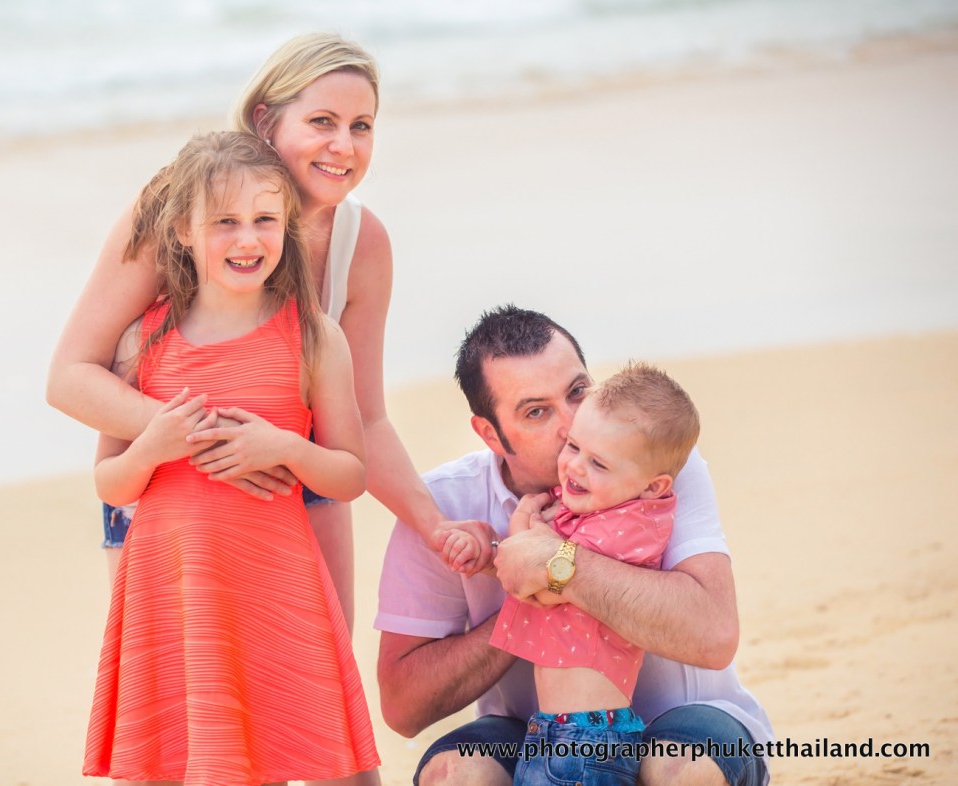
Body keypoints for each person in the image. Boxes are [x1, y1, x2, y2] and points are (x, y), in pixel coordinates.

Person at [46, 31, 489, 628]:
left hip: (298, 484)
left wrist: (433, 524)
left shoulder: (362, 244)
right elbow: (71, 377)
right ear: (266, 120)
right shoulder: (175, 207)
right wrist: (204, 438)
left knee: (315, 686)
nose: (344, 145)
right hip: (166, 491)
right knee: (184, 699)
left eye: (362, 126)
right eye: (322, 121)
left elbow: (366, 418)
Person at [82, 131, 379, 785]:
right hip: (174, 587)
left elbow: (351, 474)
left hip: (274, 582)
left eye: (264, 220)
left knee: (301, 752)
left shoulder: (313, 338)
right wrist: (157, 443)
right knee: (184, 756)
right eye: (225, 223)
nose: (248, 240)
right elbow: (110, 481)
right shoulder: (141, 343)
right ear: (183, 232)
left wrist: (286, 448)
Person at [375, 305, 773, 786]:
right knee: (454, 774)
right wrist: (521, 594)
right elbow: (403, 706)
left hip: (689, 719)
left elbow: (714, 635)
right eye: (537, 412)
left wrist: (557, 565)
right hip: (533, 731)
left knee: (680, 769)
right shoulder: (445, 507)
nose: (572, 425)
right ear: (490, 434)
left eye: (578, 392)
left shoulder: (653, 469)